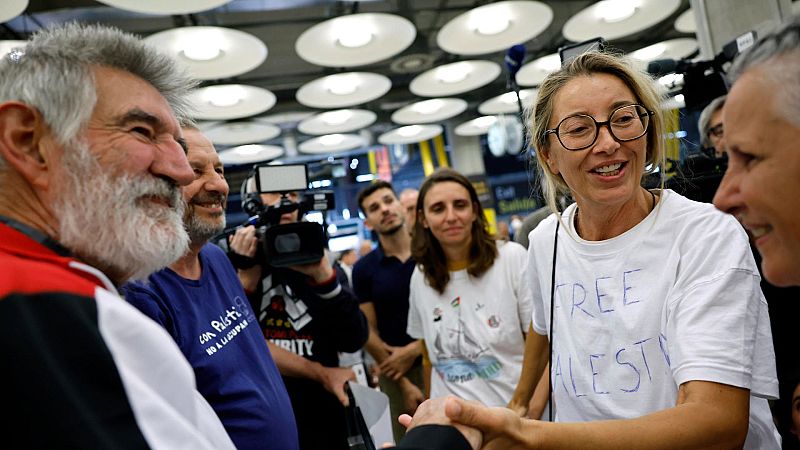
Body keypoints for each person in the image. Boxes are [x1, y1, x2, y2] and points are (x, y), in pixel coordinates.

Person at [416, 51, 780, 449]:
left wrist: (529, 433)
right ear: (548, 155)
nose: (608, 143)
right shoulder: (546, 242)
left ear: (648, 129)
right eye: (578, 129)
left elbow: (718, 424)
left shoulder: (704, 236)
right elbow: (544, 333)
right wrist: (514, 412)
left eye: (624, 119)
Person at [0, 23, 236, 448]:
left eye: (178, 145)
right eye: (142, 132)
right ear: (29, 142)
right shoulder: (50, 305)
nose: (180, 171)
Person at [121, 127, 298, 450]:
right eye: (196, 170)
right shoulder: (142, 293)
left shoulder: (216, 258)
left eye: (219, 170)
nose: (218, 185)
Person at [229, 181, 369, 450]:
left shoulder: (322, 260)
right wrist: (245, 282)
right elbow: (237, 345)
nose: (285, 200)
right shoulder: (239, 264)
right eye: (274, 191)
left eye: (292, 193)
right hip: (265, 409)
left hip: (324, 410)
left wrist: (324, 279)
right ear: (252, 202)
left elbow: (353, 339)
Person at [407, 168, 532, 407]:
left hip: (510, 414)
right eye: (438, 209)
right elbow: (428, 357)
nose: (451, 216)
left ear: (475, 211)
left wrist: (526, 412)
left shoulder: (512, 259)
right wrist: (430, 411)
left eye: (460, 205)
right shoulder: (420, 276)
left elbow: (543, 349)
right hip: (451, 423)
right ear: (423, 219)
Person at [353, 180, 425, 442]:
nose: (384, 209)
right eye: (374, 208)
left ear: (400, 205)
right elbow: (368, 330)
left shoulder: (430, 253)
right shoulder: (364, 270)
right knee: (409, 440)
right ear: (368, 222)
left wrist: (418, 348)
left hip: (441, 360)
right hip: (394, 373)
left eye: (387, 201)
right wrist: (403, 382)